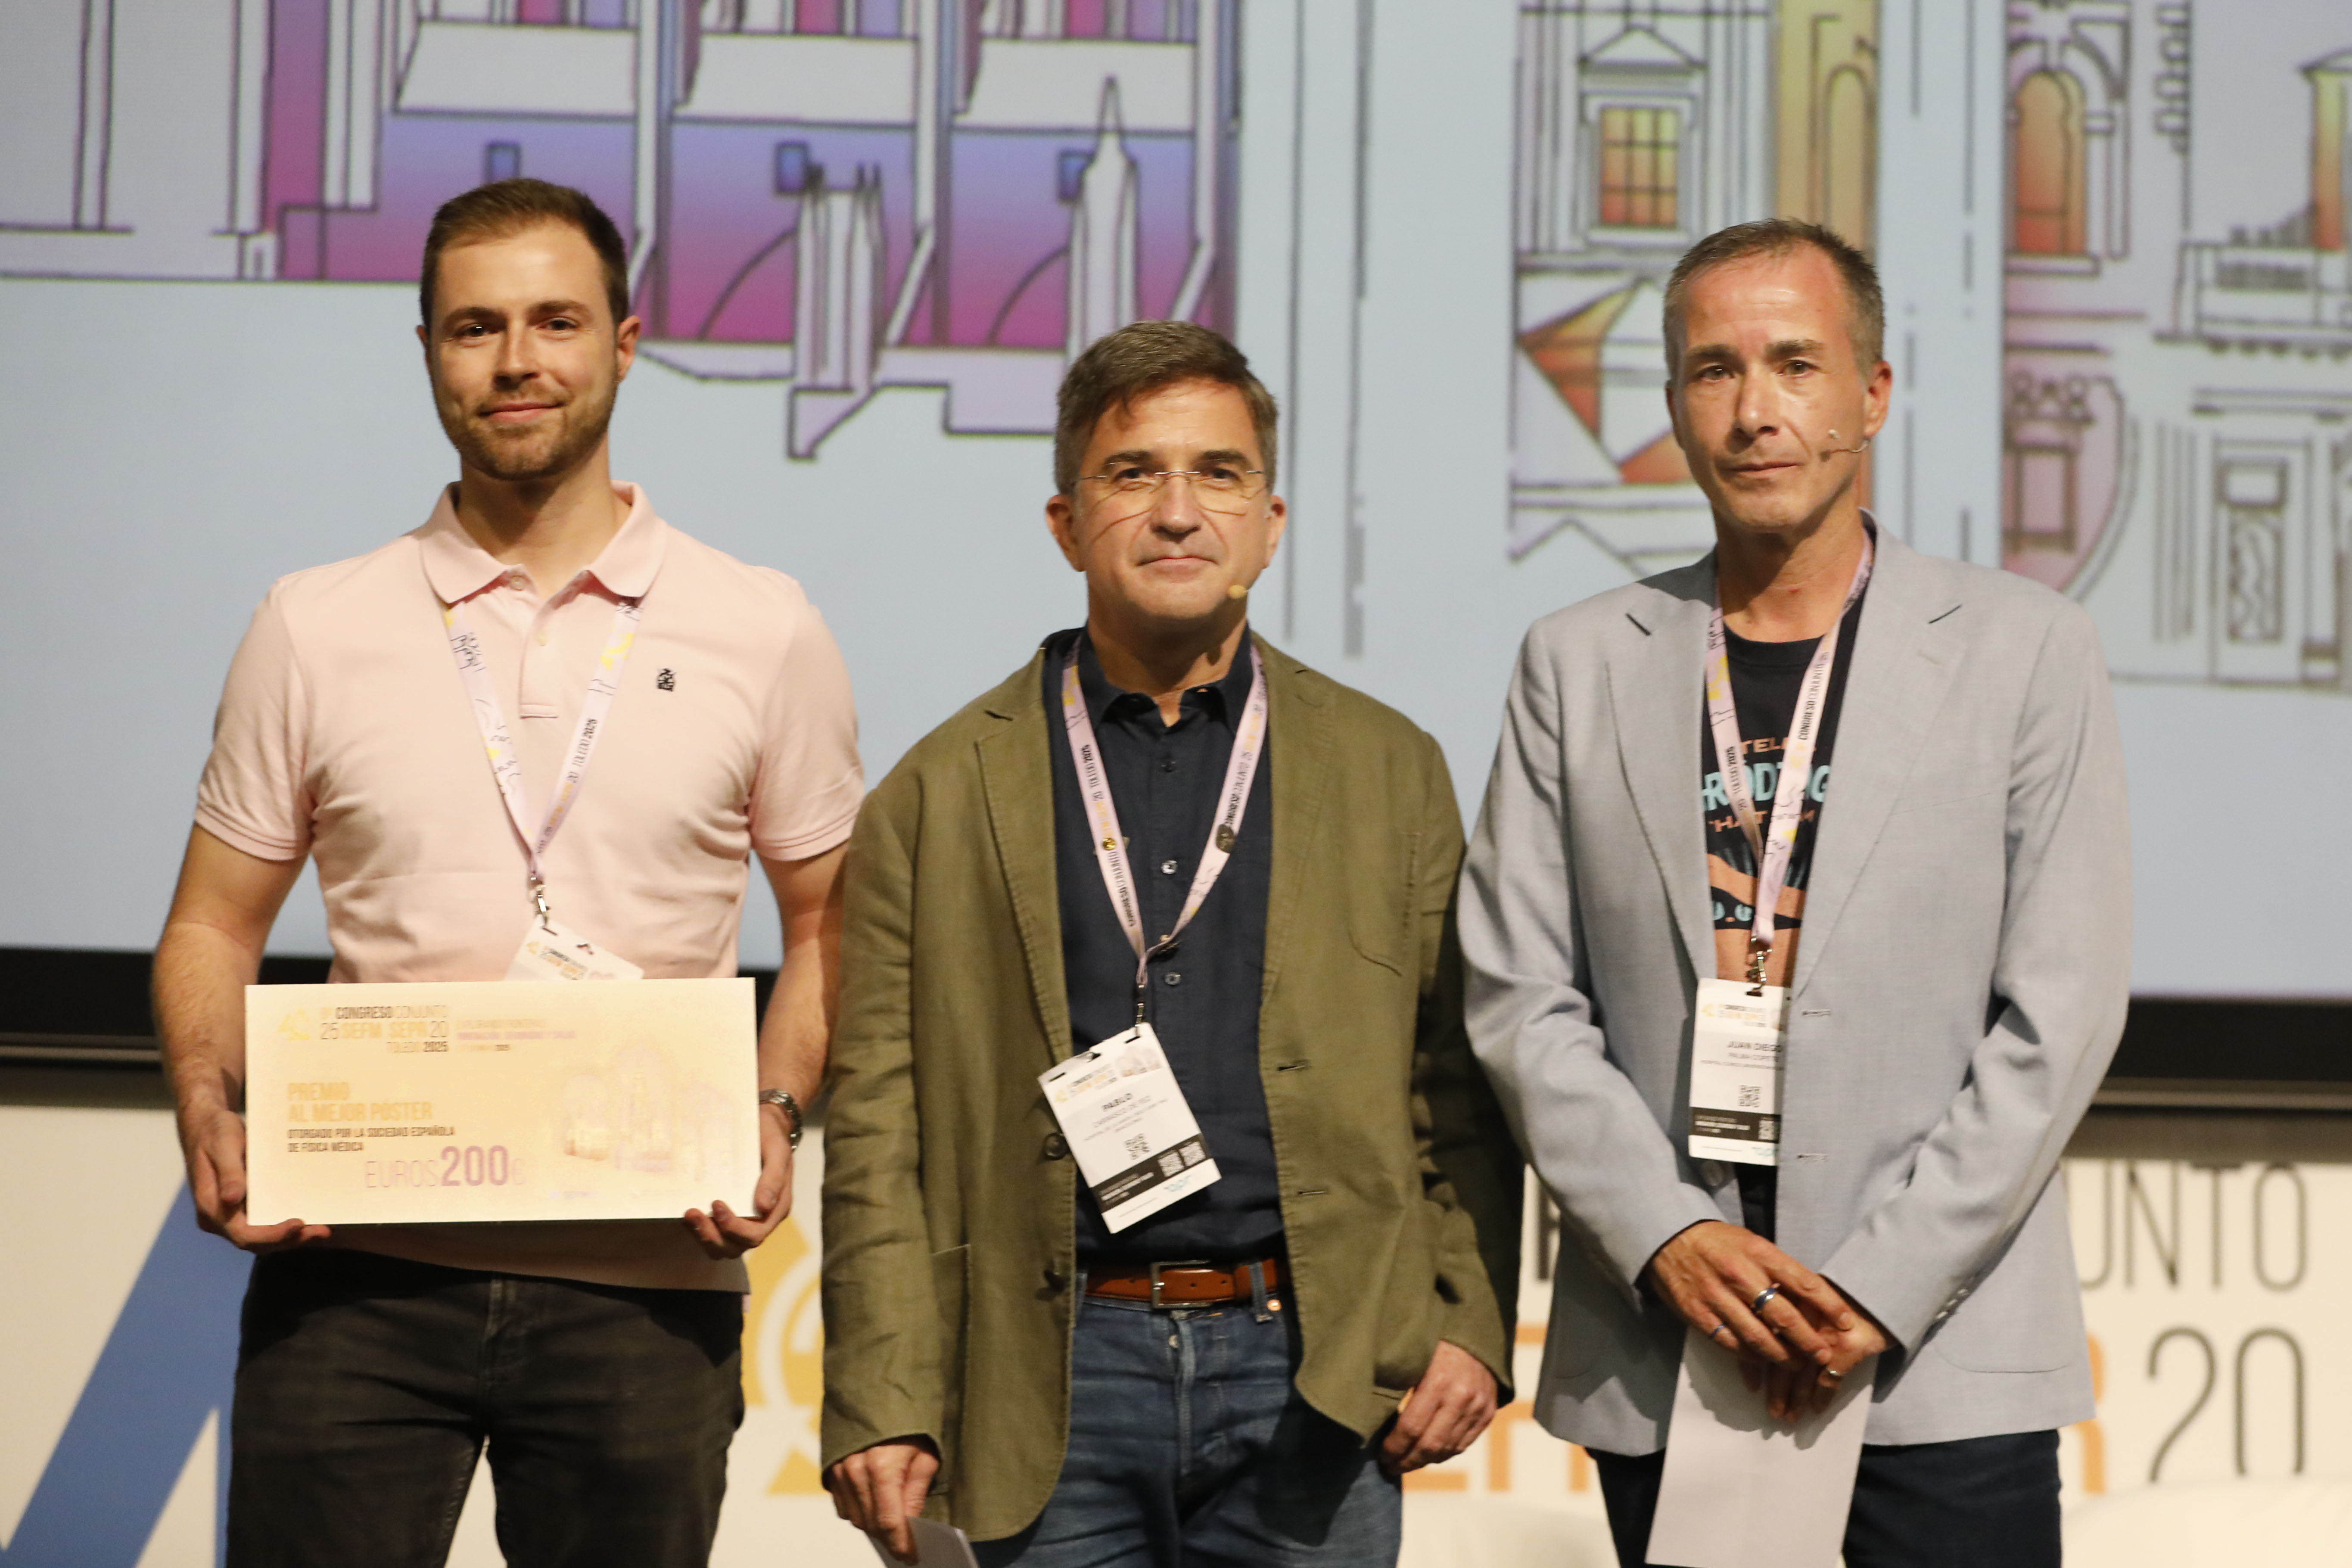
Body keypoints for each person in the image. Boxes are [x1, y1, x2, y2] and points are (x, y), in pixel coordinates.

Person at [154, 178, 862, 1567]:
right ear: (427, 349)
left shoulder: (761, 625)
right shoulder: (314, 624)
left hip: (647, 1282)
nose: (517, 361)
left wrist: (776, 1107)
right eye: (476, 328)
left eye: (557, 322)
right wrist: (202, 1097)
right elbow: (211, 926)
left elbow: (831, 921)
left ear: (627, 344)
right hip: (354, 1274)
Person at [1460, 220, 2130, 1567]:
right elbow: (1518, 997)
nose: (1754, 410)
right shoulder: (1575, 662)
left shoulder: (2025, 650)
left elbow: (2058, 1013)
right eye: (1713, 370)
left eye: (1794, 364)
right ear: (1672, 406)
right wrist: (1666, 1233)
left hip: (1938, 1357)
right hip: (1675, 1339)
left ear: (1869, 394)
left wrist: (1880, 1285)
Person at [819, 320, 1521, 1566]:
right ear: (1065, 523)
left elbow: (1453, 1083)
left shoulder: (1390, 768)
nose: (1179, 512)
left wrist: (1468, 1318)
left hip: (1318, 1368)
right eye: (1133, 473)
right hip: (1048, 1377)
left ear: (1271, 521)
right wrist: (882, 1389)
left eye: (1219, 474)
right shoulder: (935, 793)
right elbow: (878, 1123)